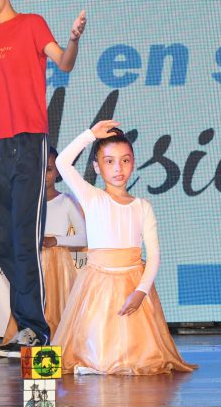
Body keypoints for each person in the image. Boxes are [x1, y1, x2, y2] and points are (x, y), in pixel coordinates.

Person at [0, 0, 86, 356]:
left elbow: (63, 62)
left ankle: (35, 329)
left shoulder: (32, 24)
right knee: (3, 242)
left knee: (23, 239)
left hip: (28, 143)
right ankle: (26, 328)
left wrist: (73, 40)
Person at [53, 120, 196, 375]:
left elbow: (154, 254)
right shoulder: (92, 197)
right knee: (96, 350)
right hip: (97, 284)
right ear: (97, 167)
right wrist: (90, 135)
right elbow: (63, 162)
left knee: (141, 357)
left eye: (125, 160)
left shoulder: (142, 207)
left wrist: (141, 291)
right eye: (109, 161)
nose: (118, 168)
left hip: (133, 284)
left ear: (133, 162)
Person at [2, 147, 87, 345]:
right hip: (31, 261)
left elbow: (84, 238)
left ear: (57, 171)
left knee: (55, 305)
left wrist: (55, 240)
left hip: (58, 265)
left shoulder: (66, 201)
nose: (43, 175)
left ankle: (56, 340)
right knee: (29, 301)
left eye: (48, 169)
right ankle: (27, 335)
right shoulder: (25, 202)